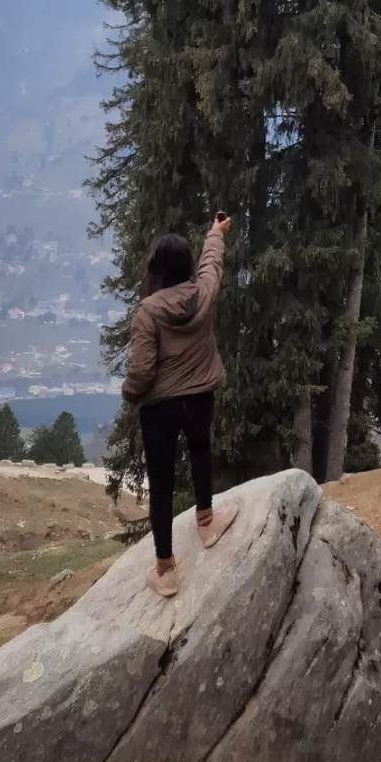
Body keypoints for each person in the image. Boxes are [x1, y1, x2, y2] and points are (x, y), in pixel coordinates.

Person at [121, 213, 236, 597]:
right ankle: (207, 522)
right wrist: (215, 233)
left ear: (154, 270)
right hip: (200, 395)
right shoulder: (202, 294)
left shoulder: (149, 312)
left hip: (159, 409)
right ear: (186, 265)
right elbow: (212, 263)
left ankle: (165, 570)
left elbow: (141, 369)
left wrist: (130, 395)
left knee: (163, 483)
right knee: (201, 452)